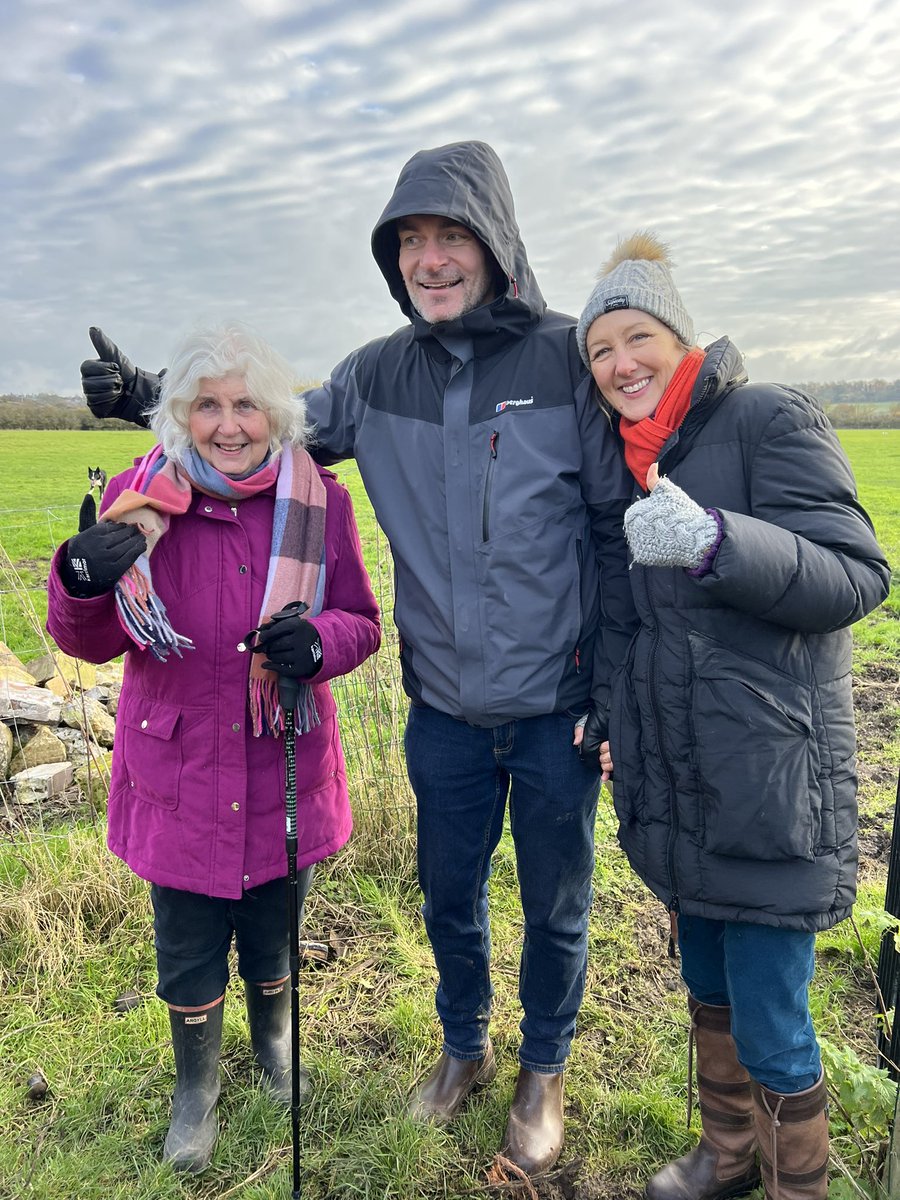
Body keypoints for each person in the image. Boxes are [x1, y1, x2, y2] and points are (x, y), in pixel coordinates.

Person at [77, 141, 637, 1175]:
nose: (431, 258)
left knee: (557, 904)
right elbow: (259, 426)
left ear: (496, 242)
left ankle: (543, 1072)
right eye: (410, 241)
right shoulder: (378, 375)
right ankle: (463, 1049)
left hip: (558, 703)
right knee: (448, 897)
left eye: (452, 235)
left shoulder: (568, 359)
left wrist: (613, 686)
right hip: (444, 707)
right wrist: (152, 394)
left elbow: (617, 518)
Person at [574, 232, 891, 1200]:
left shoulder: (767, 419)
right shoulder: (634, 460)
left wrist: (718, 540)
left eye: (637, 338)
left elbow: (855, 575)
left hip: (767, 784)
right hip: (682, 783)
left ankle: (798, 1186)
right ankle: (729, 1157)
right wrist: (610, 718)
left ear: (680, 337)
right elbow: (631, 625)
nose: (621, 363)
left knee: (772, 1020)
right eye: (600, 351)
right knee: (706, 986)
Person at [50, 322, 381, 1174]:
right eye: (207, 406)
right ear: (179, 415)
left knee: (275, 929)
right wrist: (78, 580)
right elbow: (89, 642)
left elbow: (361, 620)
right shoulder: (141, 500)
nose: (228, 425)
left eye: (246, 405)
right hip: (180, 772)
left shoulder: (320, 502)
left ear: (276, 415)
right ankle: (194, 1087)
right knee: (188, 943)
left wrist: (320, 643)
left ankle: (274, 1045)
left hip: (283, 764)